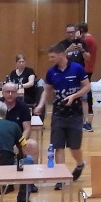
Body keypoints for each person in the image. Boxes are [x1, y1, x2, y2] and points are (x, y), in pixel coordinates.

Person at [36, 40, 89, 181]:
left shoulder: (77, 68)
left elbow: (87, 87)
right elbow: (47, 91)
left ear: (61, 54)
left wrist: (74, 96)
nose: (50, 59)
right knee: (58, 146)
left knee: (74, 147)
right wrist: (40, 105)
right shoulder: (51, 72)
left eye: (52, 57)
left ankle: (80, 164)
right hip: (58, 114)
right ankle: (61, 177)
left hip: (75, 113)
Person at [76, 21, 99, 129]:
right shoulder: (92, 39)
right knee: (87, 88)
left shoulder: (86, 40)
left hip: (86, 67)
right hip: (89, 66)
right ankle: (89, 109)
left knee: (86, 89)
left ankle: (89, 109)